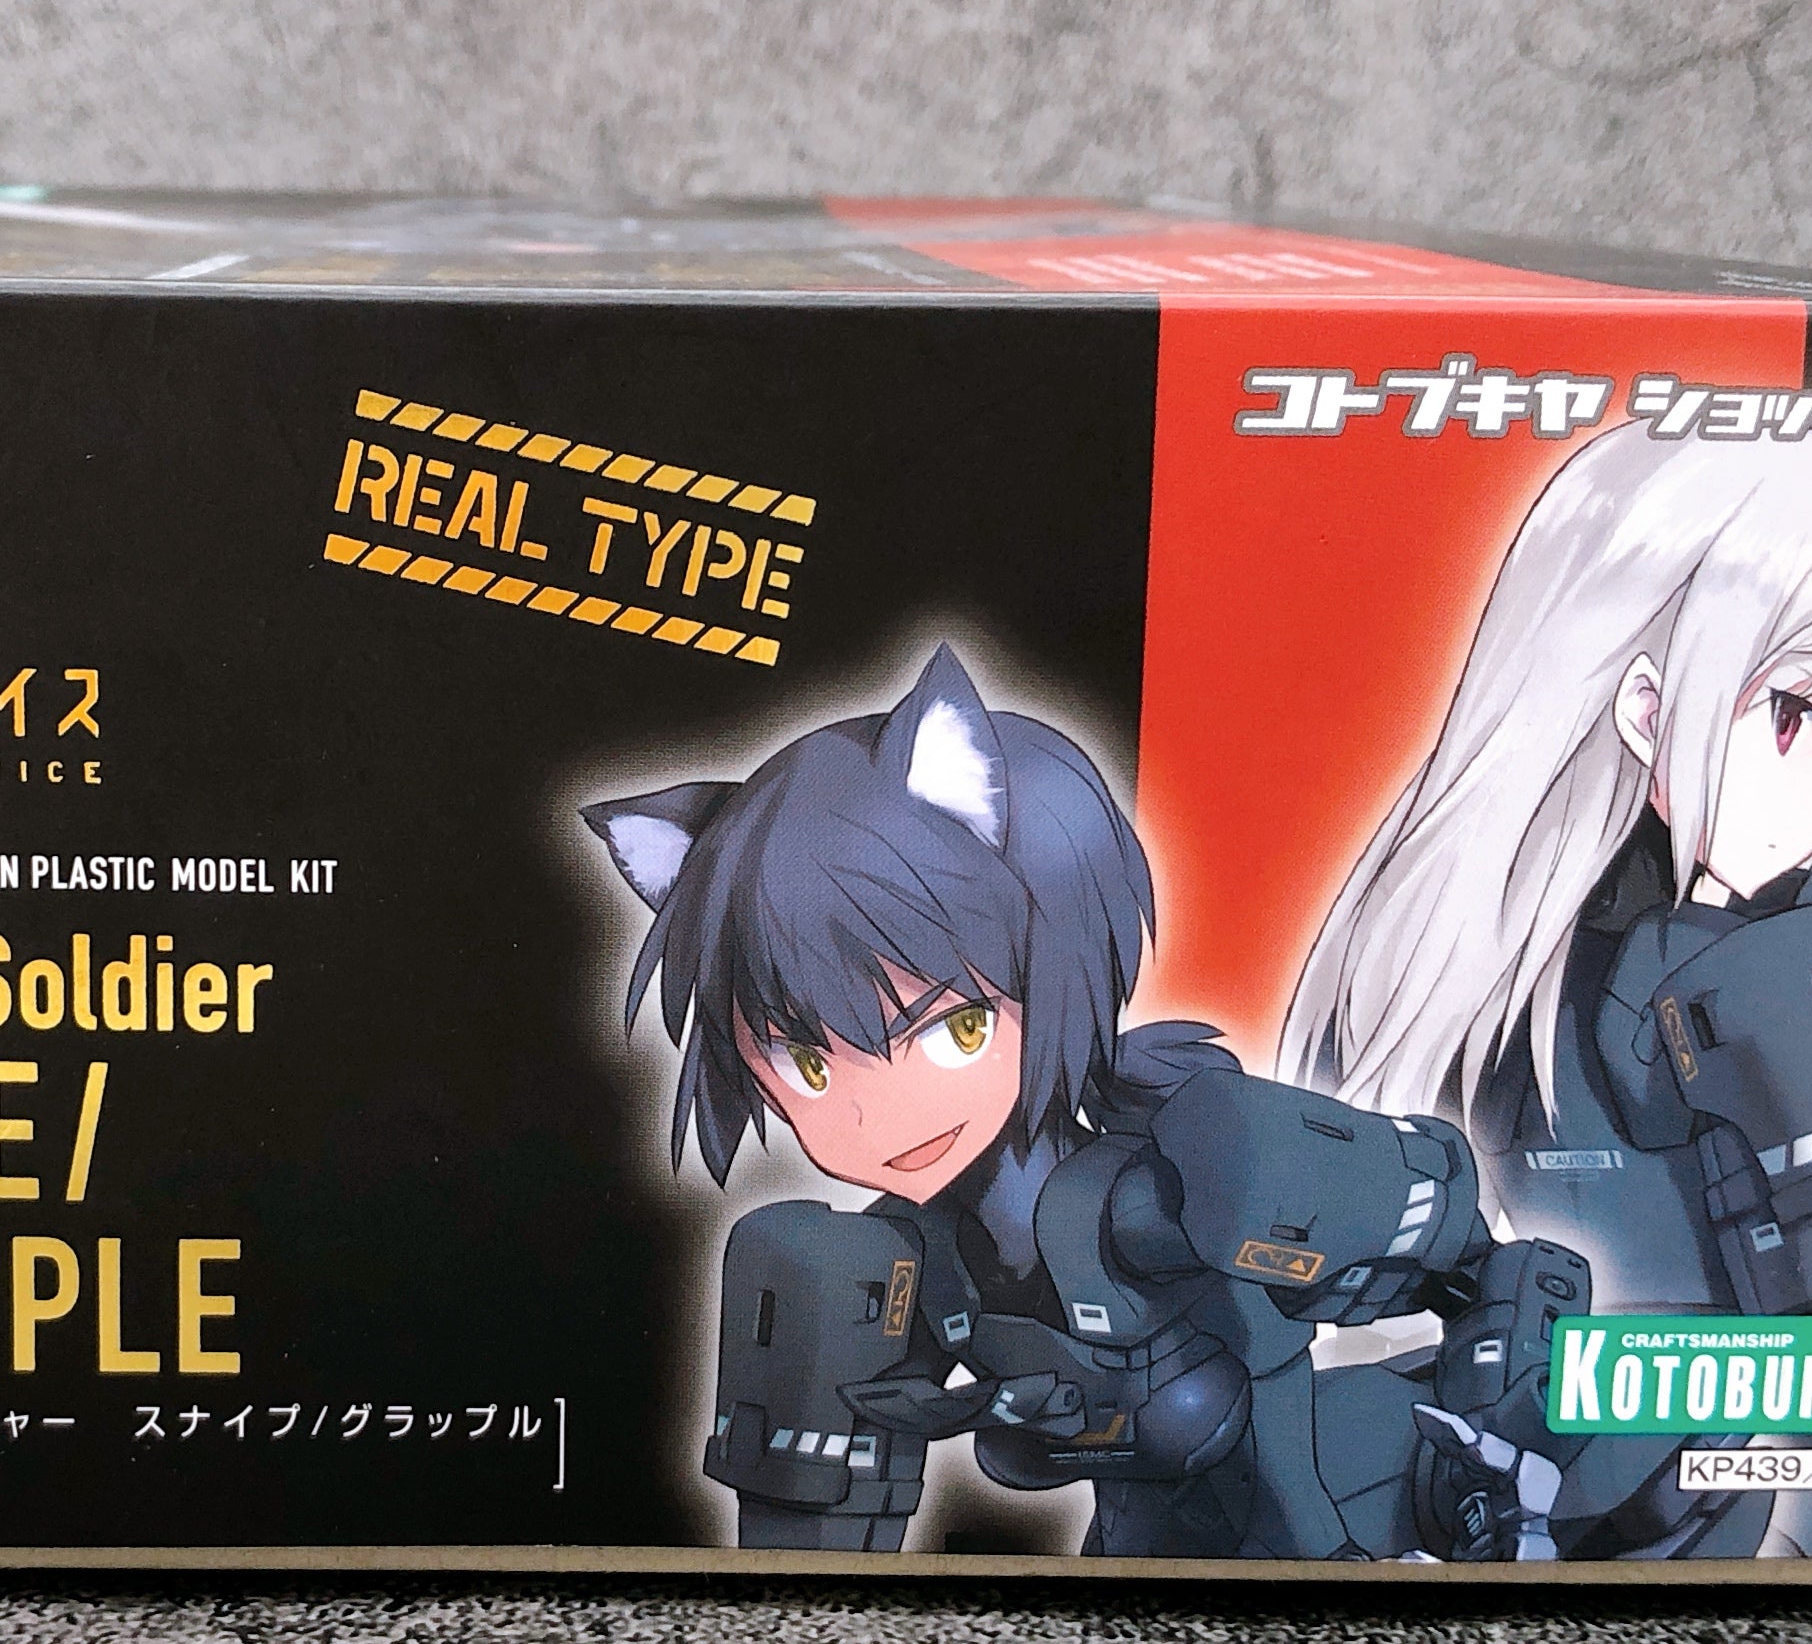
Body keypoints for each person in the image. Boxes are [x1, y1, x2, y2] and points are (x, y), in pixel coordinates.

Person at [584, 646, 1586, 1560]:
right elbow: (821, 1536)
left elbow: (1470, 1253)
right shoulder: (893, 1264)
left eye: (952, 1028)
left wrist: (1499, 1421)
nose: (868, 1115)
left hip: (1326, 1530)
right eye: (807, 1062)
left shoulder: (1170, 1191)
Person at [1279, 428, 1812, 1557]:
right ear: (1644, 705)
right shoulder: (1494, 962)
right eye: (1798, 719)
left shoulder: (1432, 951)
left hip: (1644, 1469)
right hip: (1586, 1474)